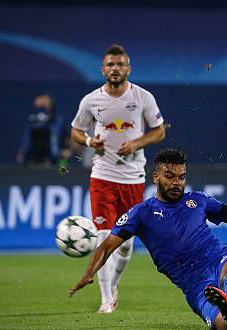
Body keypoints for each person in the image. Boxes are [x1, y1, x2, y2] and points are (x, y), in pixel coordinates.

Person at [69, 148, 227, 330]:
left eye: (181, 177)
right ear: (156, 176)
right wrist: (89, 273)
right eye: (170, 176)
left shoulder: (198, 200)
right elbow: (108, 244)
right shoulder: (140, 213)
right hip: (194, 285)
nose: (176, 182)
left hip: (217, 260)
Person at [70, 44, 166, 314]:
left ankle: (112, 285)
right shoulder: (91, 101)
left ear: (128, 69)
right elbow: (76, 131)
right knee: (103, 236)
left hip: (133, 178)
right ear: (103, 70)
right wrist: (90, 140)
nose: (115, 69)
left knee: (124, 245)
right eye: (110, 65)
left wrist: (137, 143)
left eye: (120, 64)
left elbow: (159, 131)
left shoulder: (143, 97)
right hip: (102, 176)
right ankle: (105, 301)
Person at [16, 94, 70, 165]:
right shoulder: (32, 123)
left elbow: (67, 144)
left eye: (44, 105)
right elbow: (25, 145)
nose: (42, 110)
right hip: (33, 162)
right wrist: (22, 153)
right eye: (39, 107)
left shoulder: (59, 122)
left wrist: (63, 162)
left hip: (55, 163)